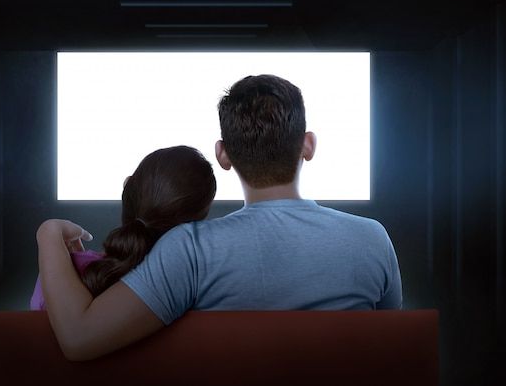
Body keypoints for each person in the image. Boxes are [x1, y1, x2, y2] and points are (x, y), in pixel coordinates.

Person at [36, 74, 402, 361]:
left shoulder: (191, 250)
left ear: (223, 155)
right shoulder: (373, 239)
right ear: (308, 144)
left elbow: (78, 339)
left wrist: (49, 233)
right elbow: (387, 351)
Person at [32, 145, 216, 309]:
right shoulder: (199, 286)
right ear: (199, 220)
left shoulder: (59, 274)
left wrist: (69, 258)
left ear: (127, 187)